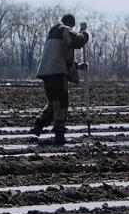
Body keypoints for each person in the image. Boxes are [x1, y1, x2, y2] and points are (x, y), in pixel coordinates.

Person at [30, 14, 89, 145]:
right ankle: (59, 133)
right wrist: (84, 33)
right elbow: (76, 41)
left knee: (53, 101)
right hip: (57, 73)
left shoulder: (52, 35)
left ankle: (38, 124)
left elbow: (60, 58)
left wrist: (78, 66)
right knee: (62, 101)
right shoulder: (64, 30)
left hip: (46, 72)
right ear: (70, 24)